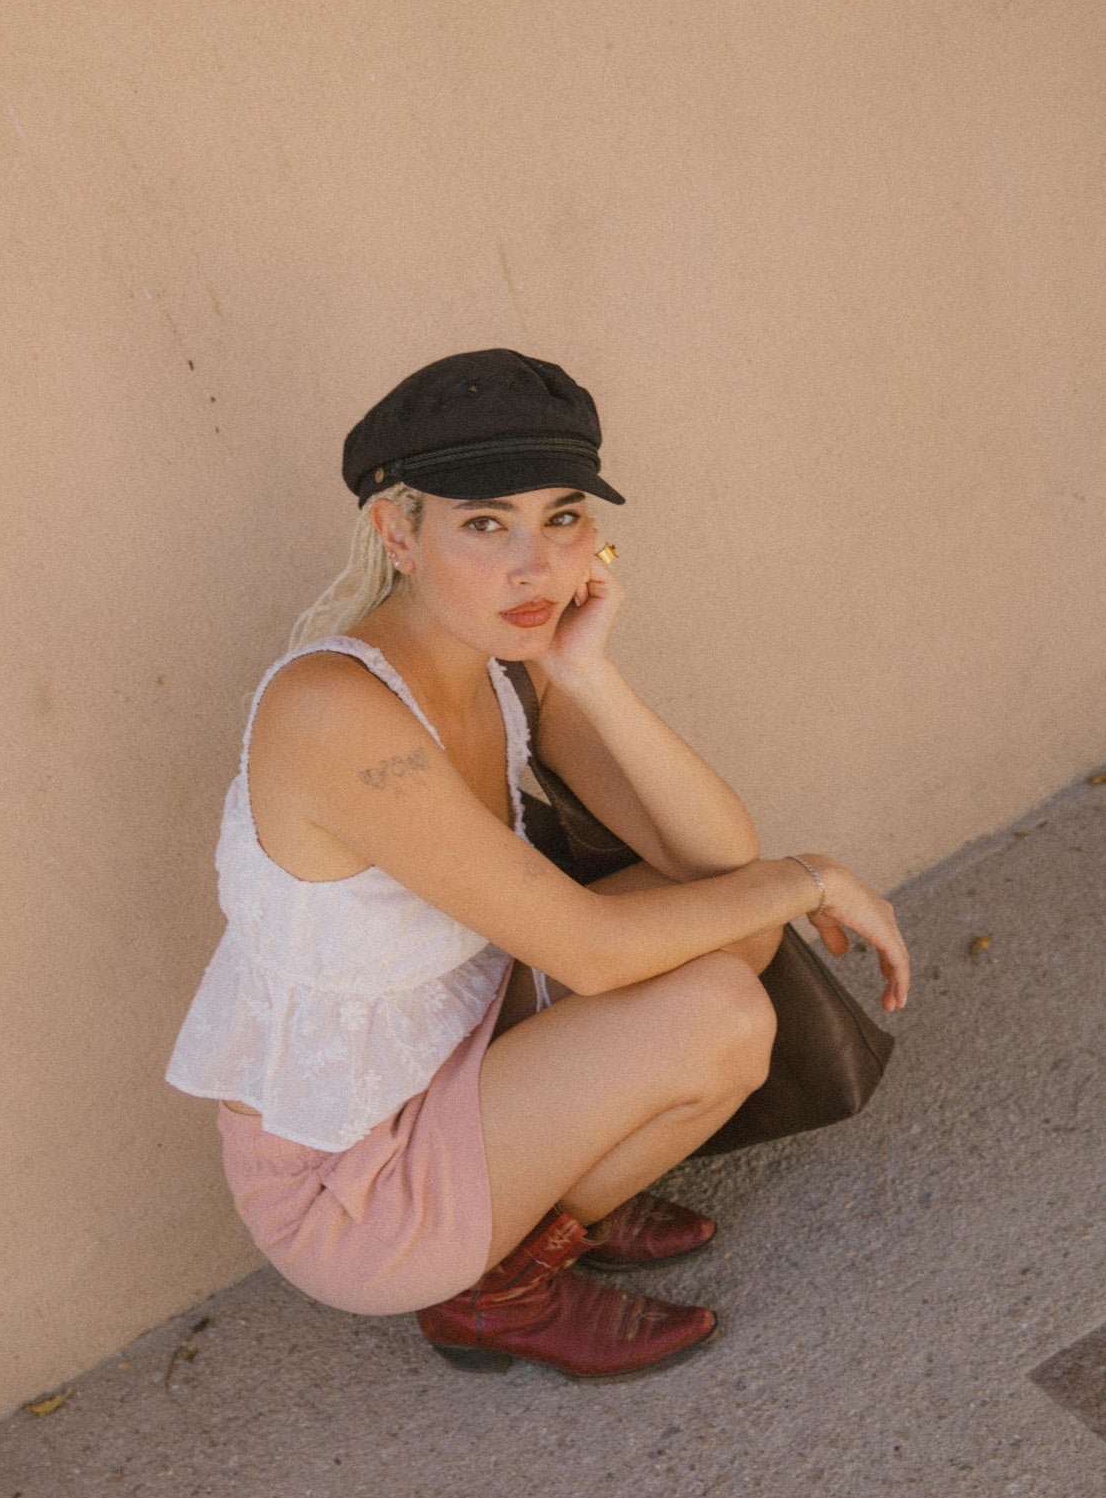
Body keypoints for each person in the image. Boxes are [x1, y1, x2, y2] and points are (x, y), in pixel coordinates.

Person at [166, 349, 910, 1379]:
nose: (537, 567)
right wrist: (813, 876)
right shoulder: (333, 711)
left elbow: (713, 857)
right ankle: (489, 1292)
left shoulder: (508, 665)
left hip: (463, 1046)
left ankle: (548, 1194)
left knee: (729, 921)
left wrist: (586, 671)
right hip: (354, 1186)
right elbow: (597, 953)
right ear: (397, 534)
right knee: (721, 1016)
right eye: (486, 524)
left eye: (562, 518)